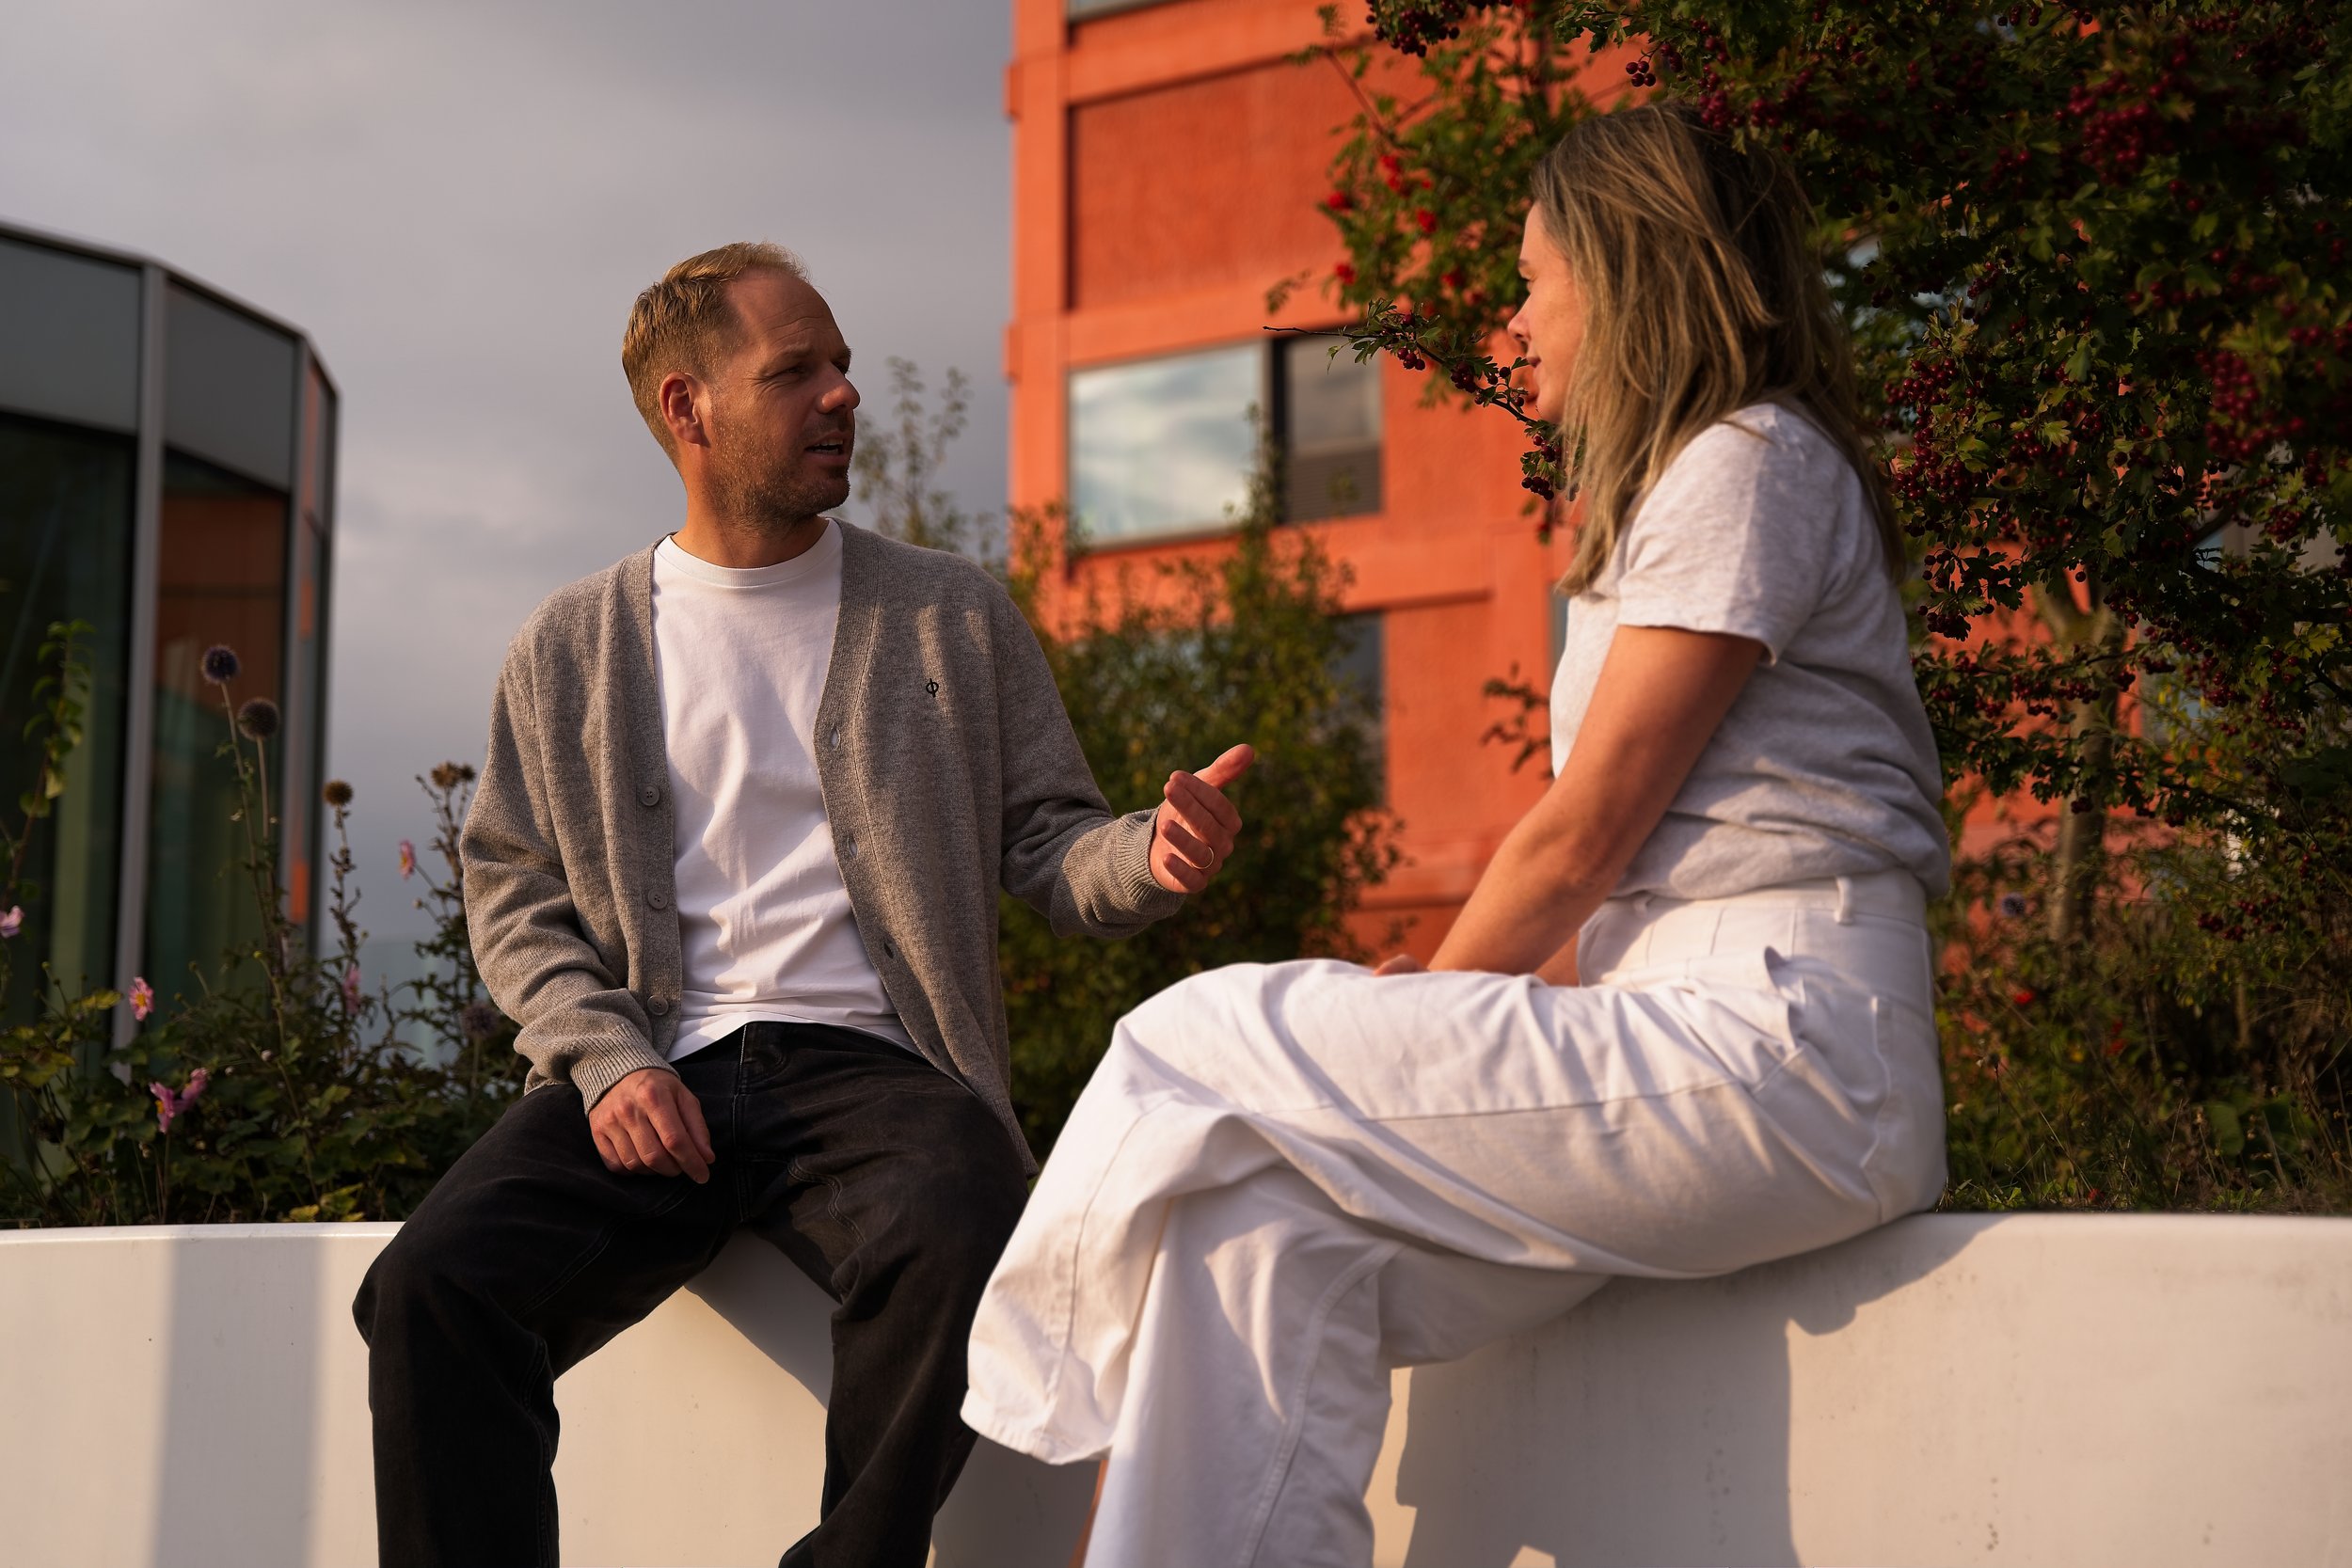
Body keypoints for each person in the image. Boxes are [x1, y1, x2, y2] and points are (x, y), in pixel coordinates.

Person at [962, 103, 1953, 1568]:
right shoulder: (1704, 481)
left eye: (1533, 276)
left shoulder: (1746, 461)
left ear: (1621, 277)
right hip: (1693, 1029)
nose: (1515, 315)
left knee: (1193, 1041)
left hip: (1788, 1046)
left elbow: (1582, 836)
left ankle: (1030, 1393)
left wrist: (1403, 1021)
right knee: (1261, 1241)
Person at [352, 241, 1252, 1568]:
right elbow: (512, 891)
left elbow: (1053, 843)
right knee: (429, 1292)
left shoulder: (947, 615)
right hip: (653, 1073)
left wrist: (1154, 858)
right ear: (687, 407)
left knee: (972, 1227)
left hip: (880, 1074)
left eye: (842, 364)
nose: (842, 394)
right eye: (797, 371)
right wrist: (606, 1062)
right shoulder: (573, 643)